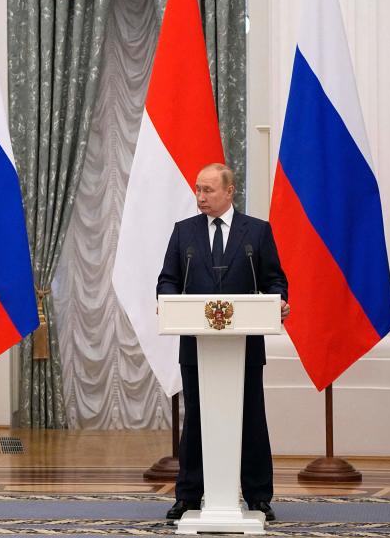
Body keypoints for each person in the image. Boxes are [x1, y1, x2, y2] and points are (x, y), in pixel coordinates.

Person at [157, 163, 289, 522]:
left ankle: (258, 497)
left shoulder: (257, 233)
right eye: (198, 190)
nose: (201, 197)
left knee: (251, 419)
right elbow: (167, 281)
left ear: (230, 192)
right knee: (197, 420)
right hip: (197, 347)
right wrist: (168, 302)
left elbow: (275, 280)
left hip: (243, 347)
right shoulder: (184, 233)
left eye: (209, 190)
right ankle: (188, 496)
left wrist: (278, 300)